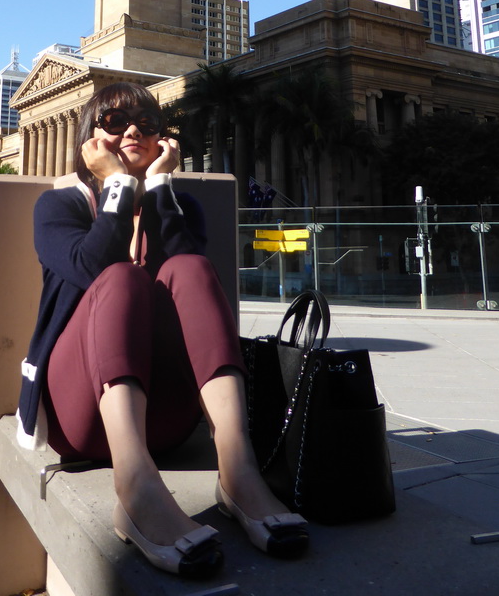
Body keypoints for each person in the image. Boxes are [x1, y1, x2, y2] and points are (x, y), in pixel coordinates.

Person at [16, 82, 308, 579]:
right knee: (122, 276)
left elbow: (187, 272)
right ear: (91, 138)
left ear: (162, 143)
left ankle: (238, 469)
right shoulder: (59, 205)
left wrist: (157, 189)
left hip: (166, 423)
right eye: (114, 122)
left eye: (147, 125)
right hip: (82, 417)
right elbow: (92, 268)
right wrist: (114, 186)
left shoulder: (178, 205)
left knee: (192, 270)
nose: (133, 130)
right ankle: (134, 488)